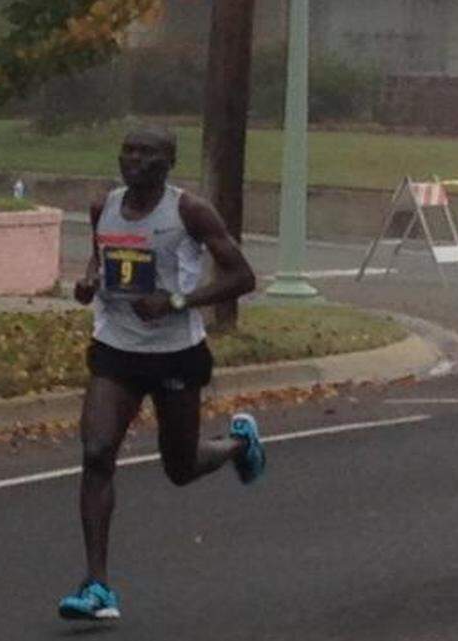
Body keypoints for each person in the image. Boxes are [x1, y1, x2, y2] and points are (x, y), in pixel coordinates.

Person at [57, 126, 264, 621]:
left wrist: (176, 301)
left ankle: (239, 444)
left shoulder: (189, 211)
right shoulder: (103, 206)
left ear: (169, 161)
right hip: (116, 348)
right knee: (96, 452)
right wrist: (89, 282)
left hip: (175, 353)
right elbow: (100, 258)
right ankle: (97, 585)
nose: (134, 159)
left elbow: (243, 277)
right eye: (128, 150)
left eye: (147, 152)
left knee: (181, 467)